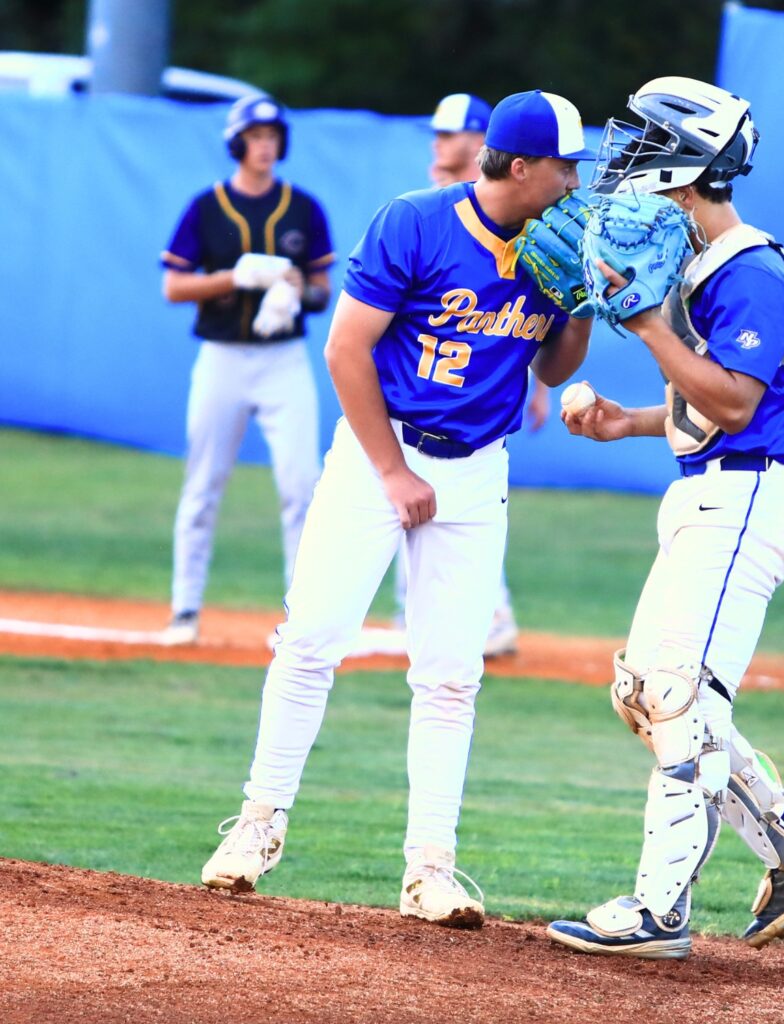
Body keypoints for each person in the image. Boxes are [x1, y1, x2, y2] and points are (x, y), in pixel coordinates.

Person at [200, 90, 594, 928]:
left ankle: (430, 870)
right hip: (384, 453)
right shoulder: (415, 221)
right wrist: (390, 471)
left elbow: (553, 372)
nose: (574, 182)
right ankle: (257, 826)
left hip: (478, 471)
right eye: (564, 166)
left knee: (452, 676)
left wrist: (588, 299)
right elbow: (346, 350)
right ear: (520, 166)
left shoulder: (555, 244)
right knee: (309, 640)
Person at [546, 77, 784, 959]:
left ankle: (658, 912)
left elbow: (740, 404)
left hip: (747, 498)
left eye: (641, 142)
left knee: (679, 697)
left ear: (686, 159)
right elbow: (704, 405)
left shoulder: (749, 269)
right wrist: (627, 422)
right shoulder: (705, 262)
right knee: (645, 691)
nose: (623, 159)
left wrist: (643, 325)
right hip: (717, 493)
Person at [160, 95, 335, 645]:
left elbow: (321, 290)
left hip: (283, 358)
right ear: (236, 142)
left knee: (301, 486)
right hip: (222, 357)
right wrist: (236, 278)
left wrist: (294, 293)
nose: (265, 145)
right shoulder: (207, 207)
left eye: (272, 135)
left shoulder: (302, 207)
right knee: (203, 484)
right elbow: (174, 286)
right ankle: (185, 610)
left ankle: (300, 617)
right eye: (255, 136)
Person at [390, 92, 552, 656]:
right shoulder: (429, 207)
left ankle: (494, 614)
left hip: (474, 410)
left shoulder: (527, 227)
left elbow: (511, 316)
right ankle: (415, 612)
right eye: (436, 133)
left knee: (461, 517)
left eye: (451, 133)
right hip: (414, 402)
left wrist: (541, 381)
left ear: (484, 141)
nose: (439, 142)